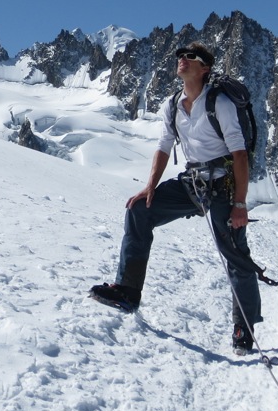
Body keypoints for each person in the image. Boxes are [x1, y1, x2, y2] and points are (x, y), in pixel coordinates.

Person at [89, 42, 264, 353]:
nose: (182, 60)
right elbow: (163, 147)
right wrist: (150, 188)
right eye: (179, 56)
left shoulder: (219, 103)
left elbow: (239, 155)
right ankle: (128, 291)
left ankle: (245, 327)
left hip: (223, 185)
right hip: (193, 181)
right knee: (139, 211)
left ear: (205, 68)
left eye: (190, 57)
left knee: (235, 252)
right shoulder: (173, 104)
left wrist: (239, 204)